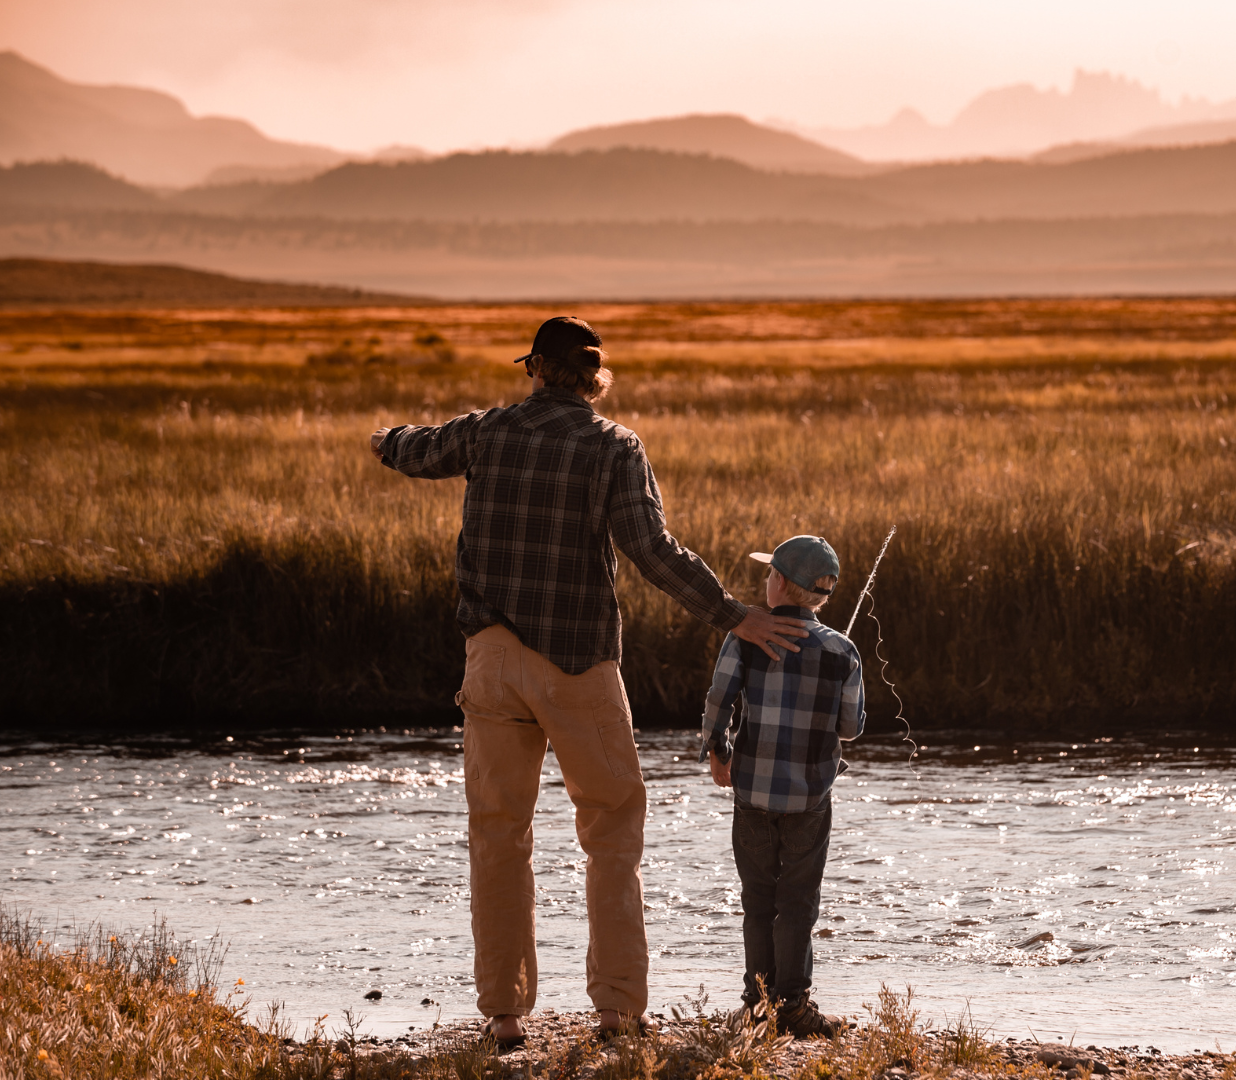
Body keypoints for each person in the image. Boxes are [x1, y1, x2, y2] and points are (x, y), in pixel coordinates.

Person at [370, 316, 808, 1048]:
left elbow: (415, 449)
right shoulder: (614, 447)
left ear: (536, 368)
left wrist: (383, 439)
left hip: (491, 662)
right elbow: (651, 549)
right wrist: (733, 615)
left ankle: (505, 1015)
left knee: (498, 834)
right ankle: (616, 1009)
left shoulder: (486, 431)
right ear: (595, 377)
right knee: (611, 832)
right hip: (579, 666)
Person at [700, 534, 865, 1039]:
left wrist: (719, 752)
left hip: (751, 793)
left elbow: (718, 702)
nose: (764, 581)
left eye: (769, 573)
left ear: (779, 584)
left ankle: (756, 1003)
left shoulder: (742, 637)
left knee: (757, 900)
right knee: (798, 902)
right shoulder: (843, 650)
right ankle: (793, 1005)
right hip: (811, 799)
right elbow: (851, 727)